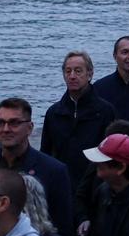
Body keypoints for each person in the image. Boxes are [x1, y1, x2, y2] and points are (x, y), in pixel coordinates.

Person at [0, 98, 75, 236]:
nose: (6, 129)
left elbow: (63, 228)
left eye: (14, 123)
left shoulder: (54, 170)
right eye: (1, 123)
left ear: (30, 128)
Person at [42, 51, 114, 214]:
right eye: (68, 71)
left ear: (90, 74)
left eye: (78, 71)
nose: (72, 76)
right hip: (61, 187)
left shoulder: (105, 111)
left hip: (95, 188)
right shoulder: (54, 113)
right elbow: (46, 152)